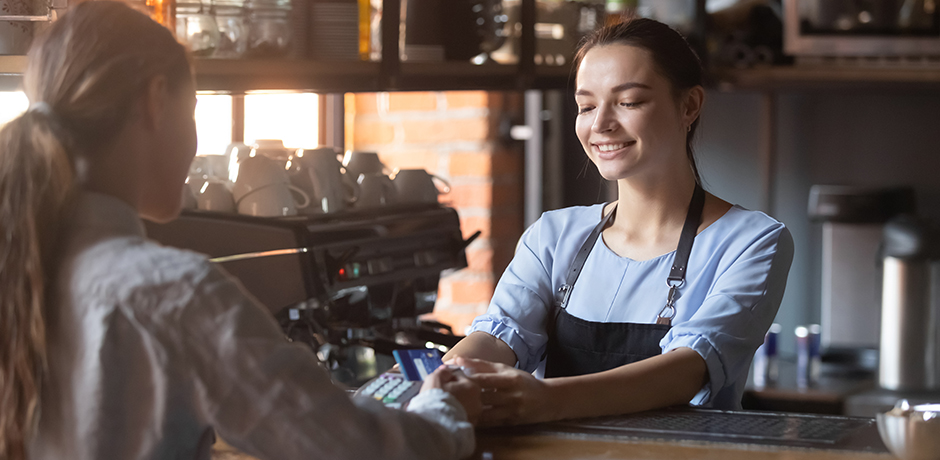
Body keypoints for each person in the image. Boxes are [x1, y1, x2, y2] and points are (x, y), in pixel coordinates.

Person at [0, 2, 480, 460]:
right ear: (155, 102)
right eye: (192, 113)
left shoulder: (20, 262)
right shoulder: (175, 293)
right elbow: (360, 449)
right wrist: (439, 406)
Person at [444, 18, 794, 426]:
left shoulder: (753, 241)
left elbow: (689, 368)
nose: (600, 124)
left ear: (689, 105)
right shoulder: (553, 236)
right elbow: (501, 334)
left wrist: (547, 399)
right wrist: (449, 373)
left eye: (628, 102)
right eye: (587, 106)